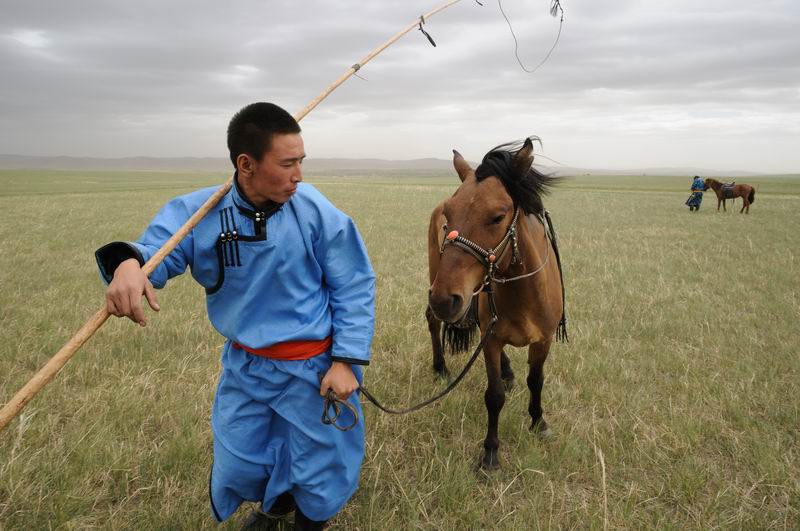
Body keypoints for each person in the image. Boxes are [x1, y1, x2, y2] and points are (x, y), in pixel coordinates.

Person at [95, 102, 376, 530]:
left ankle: (306, 522)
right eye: (287, 163)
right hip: (246, 367)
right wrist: (129, 267)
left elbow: (353, 283)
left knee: (320, 464)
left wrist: (345, 361)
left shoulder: (315, 210)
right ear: (246, 164)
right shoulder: (201, 213)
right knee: (244, 455)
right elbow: (157, 253)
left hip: (313, 368)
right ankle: (274, 505)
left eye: (301, 161)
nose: (299, 174)